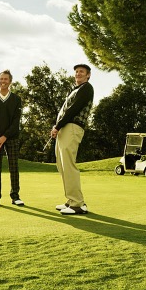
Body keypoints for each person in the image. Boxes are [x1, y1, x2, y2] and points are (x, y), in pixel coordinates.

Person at [51, 64, 94, 215]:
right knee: (61, 165)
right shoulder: (75, 89)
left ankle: (77, 204)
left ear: (88, 75)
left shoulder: (86, 88)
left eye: (81, 71)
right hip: (64, 128)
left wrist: (58, 126)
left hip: (72, 127)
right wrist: (58, 126)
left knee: (68, 165)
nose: (78, 73)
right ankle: (71, 200)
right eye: (76, 71)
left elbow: (73, 109)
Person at [0, 69, 24, 207]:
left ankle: (15, 196)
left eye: (6, 79)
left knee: (13, 166)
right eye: (1, 79)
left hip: (12, 138)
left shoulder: (16, 99)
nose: (3, 81)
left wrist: (4, 137)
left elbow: (15, 122)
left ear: (10, 81)